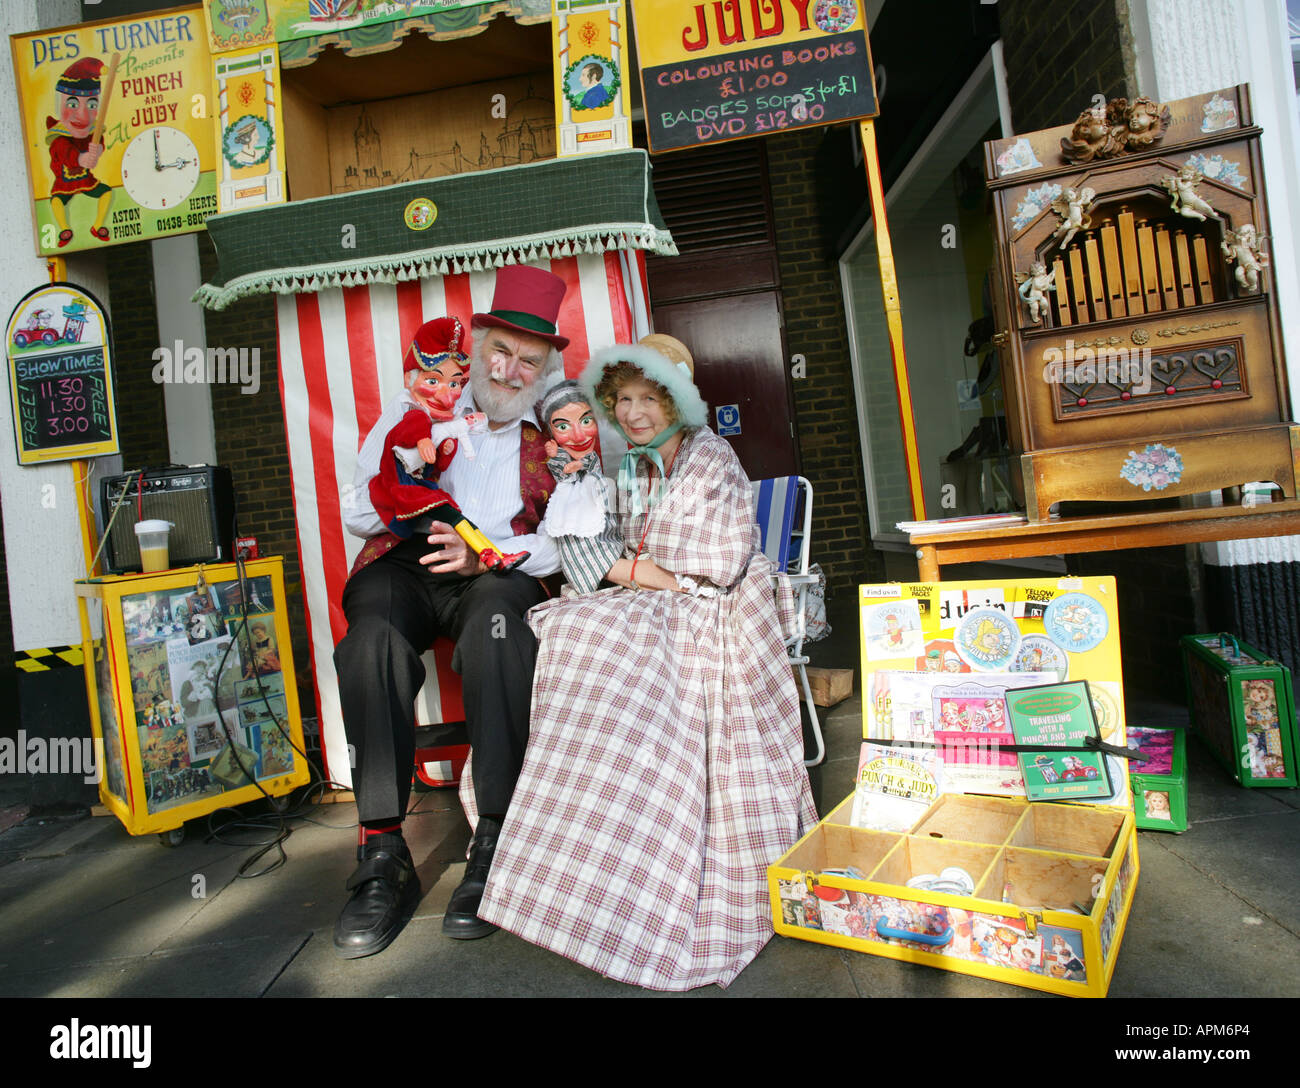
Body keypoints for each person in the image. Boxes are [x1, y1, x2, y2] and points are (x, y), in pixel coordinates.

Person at [472, 333, 817, 990]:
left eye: (648, 398)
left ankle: (642, 830)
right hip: (670, 594)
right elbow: (631, 554)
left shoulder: (708, 456)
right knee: (568, 632)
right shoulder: (636, 463)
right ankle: (602, 847)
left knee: (595, 641)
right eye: (623, 399)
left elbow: (705, 564)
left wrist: (617, 567)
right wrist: (615, 560)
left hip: (719, 604)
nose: (632, 412)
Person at [332, 265, 568, 958]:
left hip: (494, 571)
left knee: (502, 630)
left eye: (529, 360)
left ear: (545, 367)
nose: (511, 368)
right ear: (478, 346)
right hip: (406, 564)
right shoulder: (419, 410)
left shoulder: (557, 430)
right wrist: (407, 488)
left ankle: (496, 840)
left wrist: (491, 553)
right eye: (501, 350)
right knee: (369, 639)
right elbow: (354, 511)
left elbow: (571, 539)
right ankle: (382, 853)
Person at [536, 379, 622, 593]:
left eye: (586, 421)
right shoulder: (559, 464)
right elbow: (559, 472)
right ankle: (586, 581)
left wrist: (579, 466)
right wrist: (558, 460)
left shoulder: (599, 476)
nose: (578, 435)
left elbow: (591, 466)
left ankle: (608, 573)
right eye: (563, 426)